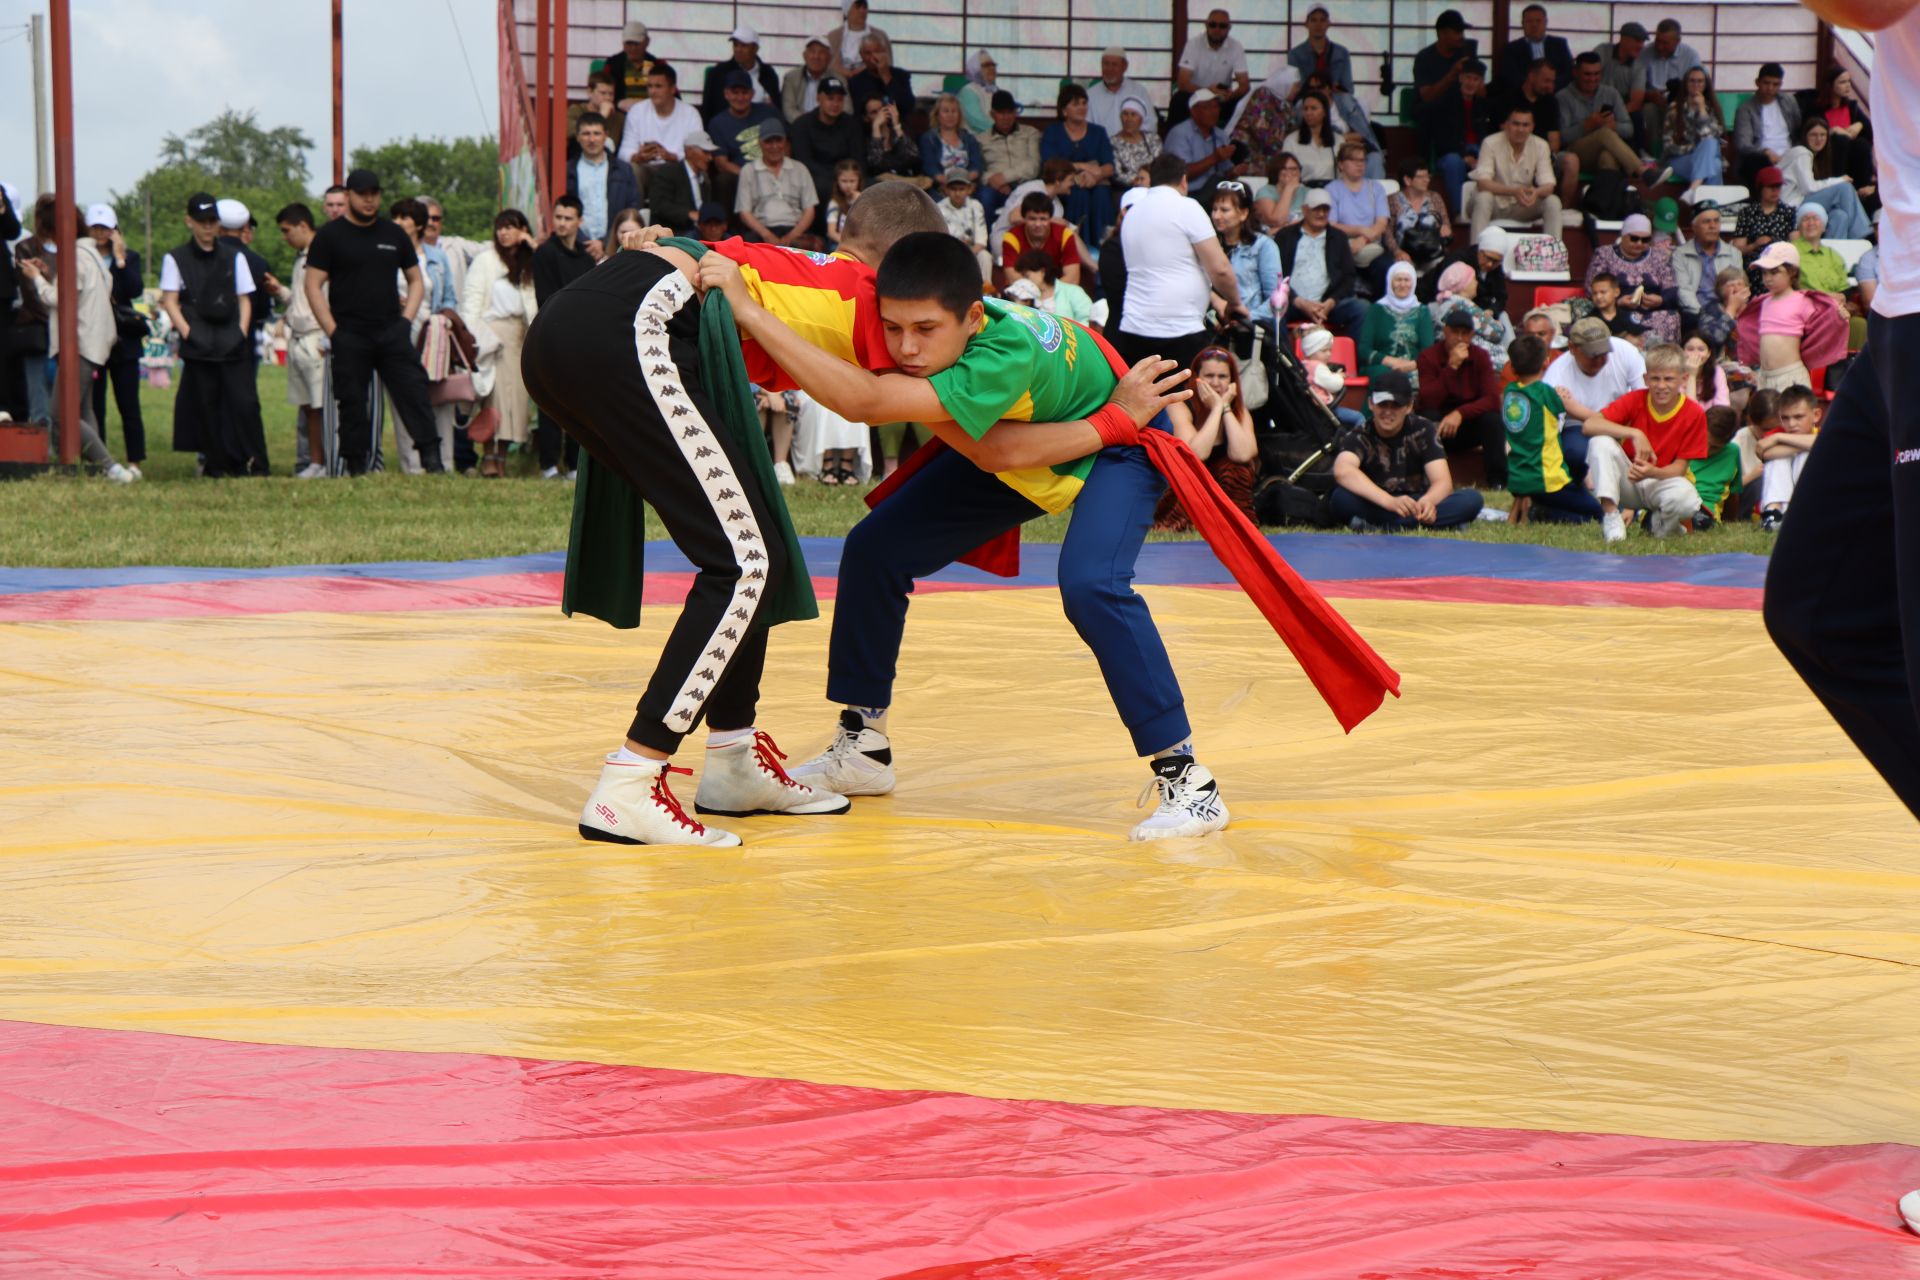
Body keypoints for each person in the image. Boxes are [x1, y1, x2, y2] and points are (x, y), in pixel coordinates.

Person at [707, 228, 1249, 839]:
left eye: (925, 331)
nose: (907, 348)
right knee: (875, 549)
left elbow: (973, 443)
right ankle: (864, 747)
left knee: (1092, 584)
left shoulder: (998, 355)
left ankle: (1189, 781)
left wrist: (745, 308)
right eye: (893, 329)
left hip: (1117, 444)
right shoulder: (931, 325)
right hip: (1048, 431)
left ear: (970, 317)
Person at [303, 170, 442, 476]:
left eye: (374, 193)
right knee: (351, 402)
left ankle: (433, 461)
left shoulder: (393, 234)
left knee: (415, 393)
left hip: (391, 331)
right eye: (362, 193)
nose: (369, 199)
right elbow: (312, 284)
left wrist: (405, 322)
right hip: (349, 333)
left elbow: (416, 280)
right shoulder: (330, 235)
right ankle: (355, 467)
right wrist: (333, 331)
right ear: (349, 195)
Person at [19, 200, 136, 482]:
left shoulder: (72, 256)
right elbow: (86, 288)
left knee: (61, 413)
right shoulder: (90, 252)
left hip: (80, 343)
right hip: (97, 341)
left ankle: (111, 468)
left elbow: (58, 299)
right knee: (84, 409)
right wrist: (49, 275)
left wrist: (37, 279)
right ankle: (95, 469)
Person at [161, 192, 268, 478]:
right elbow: (170, 299)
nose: (207, 227)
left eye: (212, 221)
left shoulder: (235, 256)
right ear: (189, 222)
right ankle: (216, 464)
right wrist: (188, 332)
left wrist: (241, 331)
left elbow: (245, 298)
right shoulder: (176, 258)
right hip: (199, 341)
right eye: (202, 221)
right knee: (205, 405)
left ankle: (254, 462)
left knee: (244, 403)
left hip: (231, 340)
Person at [1114, 154, 1247, 370]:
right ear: (1184, 180)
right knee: (1183, 401)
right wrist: (1236, 303)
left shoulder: (1132, 213)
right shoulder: (1186, 207)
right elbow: (1220, 269)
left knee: (1146, 400)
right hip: (1179, 329)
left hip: (1134, 327)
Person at [1582, 342, 1707, 542]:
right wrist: (1635, 433)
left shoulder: (1694, 413)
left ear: (1683, 379)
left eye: (1669, 379)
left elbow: (1680, 468)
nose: (1661, 385)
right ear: (1645, 379)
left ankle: (1664, 525)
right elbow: (1590, 425)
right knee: (1600, 441)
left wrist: (1652, 472)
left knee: (1687, 500)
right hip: (1629, 478)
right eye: (1655, 378)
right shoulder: (1635, 399)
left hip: (1662, 480)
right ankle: (1611, 515)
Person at [1331, 370, 1484, 529]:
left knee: (1472, 499)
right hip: (1377, 501)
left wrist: (1428, 503)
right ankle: (1425, 524)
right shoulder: (1360, 433)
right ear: (1371, 404)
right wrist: (1390, 502)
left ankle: (1382, 524)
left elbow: (1442, 482)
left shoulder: (1424, 429)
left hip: (1417, 501)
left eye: (1396, 405)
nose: (1388, 411)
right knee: (1340, 498)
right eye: (1382, 404)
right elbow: (1343, 470)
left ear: (1409, 406)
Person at [459, 209, 538, 478]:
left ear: (523, 230)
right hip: (491, 337)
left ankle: (502, 456)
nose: (504, 232)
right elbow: (471, 302)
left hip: (520, 337)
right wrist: (474, 338)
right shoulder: (485, 261)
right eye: (500, 228)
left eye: (510, 227)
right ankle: (489, 455)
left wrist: (533, 246)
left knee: (515, 400)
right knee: (493, 398)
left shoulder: (530, 262)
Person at [388, 197, 459, 475]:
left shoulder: (437, 256)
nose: (399, 224)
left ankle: (444, 462)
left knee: (440, 398)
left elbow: (450, 297)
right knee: (404, 397)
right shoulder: (386, 253)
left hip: (433, 334)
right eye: (395, 218)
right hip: (399, 333)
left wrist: (446, 321)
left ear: (418, 224)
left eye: (404, 218)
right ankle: (413, 465)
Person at [1154, 345, 1258, 531]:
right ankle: (1185, 523)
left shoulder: (1239, 411)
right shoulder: (1179, 405)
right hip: (1182, 483)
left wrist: (1225, 408)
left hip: (1219, 485)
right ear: (1196, 378)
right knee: (1191, 469)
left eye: (1223, 377)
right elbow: (1195, 454)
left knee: (1239, 469)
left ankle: (1232, 522)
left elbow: (1242, 454)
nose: (1216, 383)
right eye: (1209, 376)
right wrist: (1217, 408)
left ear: (1232, 381)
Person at [1501, 333, 1599, 523]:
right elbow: (1574, 410)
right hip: (1547, 481)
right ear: (1546, 362)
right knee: (1597, 514)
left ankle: (1537, 509)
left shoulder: (1510, 392)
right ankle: (1541, 514)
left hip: (1518, 478)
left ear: (1512, 367)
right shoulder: (1546, 393)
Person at [530, 196, 596, 479]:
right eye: (558, 217)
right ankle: (547, 464)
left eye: (568, 218)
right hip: (552, 336)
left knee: (579, 403)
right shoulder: (544, 253)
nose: (562, 223)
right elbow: (545, 299)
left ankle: (573, 464)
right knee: (550, 401)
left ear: (579, 222)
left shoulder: (585, 258)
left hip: (580, 338)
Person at [1735, 241, 1849, 392]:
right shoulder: (1763, 302)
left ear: (1792, 272)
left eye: (1774, 272)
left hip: (1790, 376)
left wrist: (1840, 315)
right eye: (1764, 272)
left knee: (1790, 415)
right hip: (1764, 376)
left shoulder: (1802, 301)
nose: (1767, 278)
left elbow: (1826, 321)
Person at [1543, 316, 1646, 482]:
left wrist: (1577, 409)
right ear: (1572, 348)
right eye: (1592, 354)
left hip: (1624, 422)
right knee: (1576, 452)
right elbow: (1549, 433)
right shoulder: (1556, 375)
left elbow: (1645, 398)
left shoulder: (1626, 351)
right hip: (1578, 429)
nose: (1599, 360)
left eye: (1604, 353)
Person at [84, 204, 146, 472]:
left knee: (129, 404)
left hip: (124, 341)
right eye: (95, 227)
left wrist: (120, 259)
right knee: (95, 405)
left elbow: (134, 289)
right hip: (94, 339)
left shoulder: (129, 258)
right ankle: (101, 460)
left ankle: (135, 460)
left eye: (105, 228)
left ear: (115, 230)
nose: (100, 233)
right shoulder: (83, 257)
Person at [1416, 305, 1507, 487]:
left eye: (1465, 333)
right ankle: (1426, 479)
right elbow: (1428, 399)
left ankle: (1498, 482)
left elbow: (1492, 399)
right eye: (1454, 332)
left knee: (1493, 419)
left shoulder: (1480, 356)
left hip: (1468, 423)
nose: (1459, 338)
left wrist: (1460, 413)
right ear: (1445, 332)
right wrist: (1451, 367)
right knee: (1427, 417)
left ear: (1472, 335)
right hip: (1439, 426)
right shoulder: (1428, 357)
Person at [271, 203, 327, 477]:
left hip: (317, 336)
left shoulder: (324, 255)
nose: (285, 237)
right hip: (299, 336)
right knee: (308, 407)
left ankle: (329, 460)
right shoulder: (300, 258)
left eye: (287, 230)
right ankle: (316, 461)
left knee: (322, 404)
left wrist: (328, 337)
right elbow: (301, 300)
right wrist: (280, 291)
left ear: (303, 226)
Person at [1557, 52, 1648, 198]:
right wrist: (1587, 125)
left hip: (1603, 152)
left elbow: (1629, 129)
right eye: (1587, 74)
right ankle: (1643, 171)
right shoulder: (1563, 97)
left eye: (1596, 74)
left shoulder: (1611, 93)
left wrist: (1614, 126)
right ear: (1575, 72)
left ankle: (1604, 206)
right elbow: (1563, 137)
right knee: (1604, 133)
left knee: (1608, 157)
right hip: (1576, 153)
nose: (1592, 79)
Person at [1277, 188, 1365, 338]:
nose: (1321, 214)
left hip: (1327, 305)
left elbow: (1349, 277)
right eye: (1316, 209)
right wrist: (1298, 301)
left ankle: (1358, 360)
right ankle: (1284, 360)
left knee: (1361, 308)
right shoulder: (1285, 236)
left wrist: (1331, 302)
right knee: (1272, 310)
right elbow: (1275, 274)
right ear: (1304, 210)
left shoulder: (1339, 238)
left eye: (1325, 209)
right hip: (1293, 302)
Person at [1468, 102, 1562, 242]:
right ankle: (1475, 256)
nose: (1520, 129)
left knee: (1553, 201)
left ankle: (1553, 256)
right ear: (1506, 125)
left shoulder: (1541, 145)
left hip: (1523, 205)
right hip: (1494, 204)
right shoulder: (1490, 142)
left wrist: (1535, 193)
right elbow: (1482, 183)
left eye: (1525, 125)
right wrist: (1514, 191)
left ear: (1532, 127)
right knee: (1483, 197)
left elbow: (1549, 185)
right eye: (1516, 124)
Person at [1209, 181, 1278, 368]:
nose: (1217, 215)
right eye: (1214, 209)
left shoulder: (1264, 246)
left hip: (1252, 333)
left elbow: (1276, 298)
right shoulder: (1209, 246)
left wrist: (1249, 315)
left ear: (1243, 213)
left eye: (1224, 210)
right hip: (1216, 332)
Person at [1585, 212, 1680, 344]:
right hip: (1617, 311)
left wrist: (1661, 300)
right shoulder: (1604, 254)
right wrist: (1617, 302)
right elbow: (1592, 289)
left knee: (1671, 317)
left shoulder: (1659, 256)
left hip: (1652, 313)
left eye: (1645, 240)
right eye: (1634, 238)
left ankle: (1661, 360)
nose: (1639, 243)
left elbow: (1672, 289)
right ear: (1624, 236)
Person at [1043, 85, 1116, 247]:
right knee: (1078, 195)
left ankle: (1104, 247)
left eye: (1084, 103)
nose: (1082, 107)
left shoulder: (1098, 132)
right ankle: (1075, 247)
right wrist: (1083, 166)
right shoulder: (1053, 132)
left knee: (1101, 195)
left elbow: (1109, 166)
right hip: (1066, 185)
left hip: (1096, 183)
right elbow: (1049, 163)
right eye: (1076, 104)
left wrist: (1095, 175)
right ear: (1064, 110)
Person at [1780, 118, 1874, 240]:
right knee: (1844, 188)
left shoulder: (1816, 158)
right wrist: (1839, 180)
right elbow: (1809, 188)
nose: (1819, 139)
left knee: (1840, 216)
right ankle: (1862, 235)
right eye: (1814, 135)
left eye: (1823, 135)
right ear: (1805, 136)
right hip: (1790, 207)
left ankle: (1834, 254)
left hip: (1801, 203)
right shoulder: (1801, 153)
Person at [736, 119, 819, 249]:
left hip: (794, 229)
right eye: (769, 141)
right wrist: (767, 234)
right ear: (759, 143)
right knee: (745, 246)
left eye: (778, 140)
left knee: (815, 245)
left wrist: (792, 236)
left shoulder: (800, 168)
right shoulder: (748, 170)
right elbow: (744, 212)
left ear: (785, 141)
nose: (774, 146)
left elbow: (809, 210)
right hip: (761, 230)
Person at [1426, 57, 1493, 212]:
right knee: (1454, 162)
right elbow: (1441, 138)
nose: (1470, 83)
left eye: (1475, 79)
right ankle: (1459, 213)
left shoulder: (1484, 106)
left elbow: (1489, 138)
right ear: (1460, 78)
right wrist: (1464, 155)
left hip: (1478, 151)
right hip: (1451, 153)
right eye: (1468, 78)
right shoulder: (1445, 103)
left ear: (1481, 82)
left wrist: (1481, 156)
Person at [570, 111, 641, 252]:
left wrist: (606, 242)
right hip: (577, 247)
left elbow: (632, 207)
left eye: (597, 133)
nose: (592, 139)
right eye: (586, 134)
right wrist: (584, 242)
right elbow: (565, 210)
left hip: (615, 247)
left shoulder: (624, 169)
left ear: (606, 135)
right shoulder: (568, 170)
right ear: (577, 137)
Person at [790, 76, 864, 206]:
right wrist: (837, 179)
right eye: (830, 99)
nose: (835, 104)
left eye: (840, 100)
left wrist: (848, 178)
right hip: (817, 178)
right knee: (822, 188)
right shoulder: (802, 125)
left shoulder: (852, 124)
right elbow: (804, 161)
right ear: (818, 99)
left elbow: (859, 158)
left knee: (876, 187)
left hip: (848, 175)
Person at [1758, 381, 1822, 531]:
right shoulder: (1777, 433)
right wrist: (1783, 438)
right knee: (1778, 458)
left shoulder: (1779, 436)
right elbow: (1765, 452)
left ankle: (1804, 513)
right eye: (1785, 418)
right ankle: (1772, 512)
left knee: (1808, 454)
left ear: (1816, 415)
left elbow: (1825, 442)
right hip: (1786, 504)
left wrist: (1780, 438)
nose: (1791, 424)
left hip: (1816, 500)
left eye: (1798, 417)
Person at [1359, 260, 1435, 385]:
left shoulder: (1422, 311)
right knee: (1387, 376)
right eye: (1398, 280)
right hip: (1381, 367)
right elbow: (1363, 350)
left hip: (1413, 367)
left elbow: (1428, 351)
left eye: (1407, 280)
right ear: (1390, 282)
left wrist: (1411, 365)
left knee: (1426, 378)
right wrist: (1390, 361)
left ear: (1413, 283)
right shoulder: (1376, 309)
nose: (1402, 284)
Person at [708, 70, 782, 196]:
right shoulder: (717, 123)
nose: (740, 98)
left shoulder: (769, 112)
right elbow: (721, 163)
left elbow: (785, 144)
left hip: (774, 168)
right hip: (741, 173)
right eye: (735, 93)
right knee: (723, 180)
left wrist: (776, 169)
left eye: (744, 92)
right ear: (726, 94)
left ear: (752, 94)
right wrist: (749, 175)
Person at [1674, 204, 1744, 337]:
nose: (1713, 226)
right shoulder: (1681, 254)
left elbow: (1737, 287)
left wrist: (1726, 310)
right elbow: (1684, 290)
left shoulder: (1733, 253)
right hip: (1695, 312)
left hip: (1725, 309)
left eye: (1716, 221)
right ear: (1694, 227)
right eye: (1706, 221)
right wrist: (1703, 314)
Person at [619, 65, 704, 170]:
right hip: (646, 169)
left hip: (678, 170)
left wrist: (673, 157)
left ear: (672, 89)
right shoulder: (637, 111)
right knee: (634, 170)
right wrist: (637, 157)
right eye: (649, 86)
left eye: (658, 86)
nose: (652, 92)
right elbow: (624, 151)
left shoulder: (690, 114)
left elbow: (698, 152)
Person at [978, 90, 1042, 226]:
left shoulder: (1030, 133)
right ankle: (988, 241)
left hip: (1025, 184)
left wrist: (1005, 178)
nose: (1006, 117)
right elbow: (979, 170)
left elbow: (1034, 165)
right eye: (1001, 113)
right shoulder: (981, 139)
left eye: (1010, 112)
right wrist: (994, 181)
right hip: (996, 188)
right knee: (985, 195)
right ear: (992, 115)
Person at [1381, 160, 1452, 282]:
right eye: (1420, 177)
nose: (1427, 180)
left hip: (1432, 253)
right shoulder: (1392, 200)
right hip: (1404, 253)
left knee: (1445, 269)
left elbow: (1445, 223)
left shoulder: (1435, 197)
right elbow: (1387, 231)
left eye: (1427, 176)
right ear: (1407, 180)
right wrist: (1397, 251)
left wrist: (1446, 230)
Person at [1734, 63, 1802, 188]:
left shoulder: (1789, 102)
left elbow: (1798, 130)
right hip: (1762, 157)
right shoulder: (1746, 109)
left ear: (1781, 85)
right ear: (1757, 82)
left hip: (1789, 153)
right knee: (1753, 162)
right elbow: (1743, 144)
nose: (1770, 88)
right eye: (1766, 83)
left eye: (1775, 84)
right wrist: (1765, 152)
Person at [1176, 9, 1251, 124]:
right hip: (1196, 94)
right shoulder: (1193, 44)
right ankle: (1173, 139)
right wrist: (1207, 91)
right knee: (1179, 99)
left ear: (1229, 28)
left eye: (1222, 26)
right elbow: (1183, 82)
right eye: (1213, 25)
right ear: (1206, 25)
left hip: (1222, 98)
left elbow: (1244, 85)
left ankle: (1234, 141)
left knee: (1245, 101)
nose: (1217, 29)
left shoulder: (1236, 47)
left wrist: (1231, 95)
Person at [1166, 89, 1245, 197]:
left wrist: (1234, 172)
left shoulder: (1221, 135)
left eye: (1216, 107)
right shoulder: (1180, 133)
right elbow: (1179, 174)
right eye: (1207, 107)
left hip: (1216, 194)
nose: (1214, 111)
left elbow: (1225, 172)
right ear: (1193, 111)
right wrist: (1214, 158)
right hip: (1187, 195)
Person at [1731, 166, 1799, 290]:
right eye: (1770, 187)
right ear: (1760, 188)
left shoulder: (1789, 212)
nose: (1775, 191)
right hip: (1754, 266)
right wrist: (1755, 245)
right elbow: (1737, 249)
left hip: (1781, 264)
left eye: (1778, 187)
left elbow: (1796, 244)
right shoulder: (1747, 213)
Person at [1637, 19, 1703, 142]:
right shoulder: (1645, 53)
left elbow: (1700, 84)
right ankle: (1655, 150)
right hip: (1653, 100)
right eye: (1657, 41)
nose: (1660, 46)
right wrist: (1649, 95)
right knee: (1648, 110)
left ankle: (1677, 147)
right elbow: (1635, 85)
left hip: (1682, 100)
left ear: (1677, 41)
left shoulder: (1690, 55)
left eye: (1665, 43)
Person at [1661, 68, 1727, 192]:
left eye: (1700, 81)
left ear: (1705, 85)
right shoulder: (1674, 108)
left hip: (1704, 160)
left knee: (1713, 156)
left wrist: (1702, 110)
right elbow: (1668, 146)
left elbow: (1715, 138)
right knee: (1714, 163)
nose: (1696, 85)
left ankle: (1694, 190)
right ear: (1686, 84)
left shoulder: (1711, 108)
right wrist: (1696, 150)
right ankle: (1711, 208)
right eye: (1692, 81)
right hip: (1679, 159)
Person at [1327, 143, 1389, 272]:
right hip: (1342, 246)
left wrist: (1363, 239)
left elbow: (1381, 223)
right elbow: (1331, 225)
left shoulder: (1376, 188)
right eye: (1353, 160)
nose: (1359, 164)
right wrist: (1360, 230)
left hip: (1372, 246)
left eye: (1362, 160)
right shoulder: (1331, 189)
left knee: (1387, 268)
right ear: (1341, 164)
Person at [1000, 192, 1084, 286]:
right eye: (1032, 219)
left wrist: (1047, 291)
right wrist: (1038, 291)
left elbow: (1072, 279)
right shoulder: (1011, 237)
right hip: (1022, 294)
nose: (1038, 224)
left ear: (1050, 219)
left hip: (1057, 293)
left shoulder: (1065, 234)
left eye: (1043, 219)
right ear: (1024, 218)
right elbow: (1012, 278)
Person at [645, 130, 719, 235]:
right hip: (673, 235)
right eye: (705, 152)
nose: (710, 158)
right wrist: (688, 214)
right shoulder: (669, 172)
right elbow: (658, 205)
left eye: (710, 153)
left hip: (699, 235)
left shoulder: (705, 180)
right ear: (689, 151)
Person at [702, 24, 780, 122]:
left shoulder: (768, 74)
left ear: (755, 49)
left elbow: (777, 109)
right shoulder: (717, 73)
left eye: (744, 46)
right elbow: (707, 111)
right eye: (735, 45)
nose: (738, 50)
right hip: (725, 129)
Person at [1590, 21, 1651, 143]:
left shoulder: (1639, 66)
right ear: (1623, 38)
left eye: (1642, 42)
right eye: (1637, 40)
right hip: (1592, 104)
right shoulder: (1603, 51)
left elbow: (1636, 102)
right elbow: (1587, 77)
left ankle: (1639, 151)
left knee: (1636, 117)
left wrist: (1614, 115)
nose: (1641, 45)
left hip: (1621, 110)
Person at [1499, 4, 1574, 94]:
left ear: (1545, 22)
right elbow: (1510, 75)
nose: (1534, 25)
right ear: (1523, 24)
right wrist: (1533, 86)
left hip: (1555, 93)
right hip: (1524, 95)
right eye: (1529, 21)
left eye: (1538, 21)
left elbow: (1569, 72)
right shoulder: (1512, 48)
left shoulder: (1559, 44)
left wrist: (1550, 85)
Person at [1007, 248, 1092, 324]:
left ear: (1042, 272)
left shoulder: (1073, 292)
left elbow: (1087, 319)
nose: (1024, 281)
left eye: (1027, 276)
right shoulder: (1027, 298)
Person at [1088, 46, 1156, 139]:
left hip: (1133, 148)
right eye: (1106, 64)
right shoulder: (1091, 94)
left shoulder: (1139, 91)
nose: (1109, 69)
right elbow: (1086, 127)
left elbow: (1150, 124)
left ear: (1125, 66)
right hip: (1100, 149)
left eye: (1114, 64)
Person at [1789, 203, 1851, 304]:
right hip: (1803, 306)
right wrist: (1826, 297)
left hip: (1834, 307)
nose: (1811, 223)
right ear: (1799, 227)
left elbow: (1844, 288)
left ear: (1824, 227)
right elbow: (1790, 288)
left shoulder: (1833, 255)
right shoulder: (1791, 251)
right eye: (1805, 219)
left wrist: (1842, 296)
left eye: (1816, 218)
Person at [921, 93, 985, 188]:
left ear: (959, 115)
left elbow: (977, 166)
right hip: (940, 187)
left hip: (967, 186)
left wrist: (962, 183)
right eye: (946, 111)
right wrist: (949, 184)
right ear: (937, 115)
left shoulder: (969, 139)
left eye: (954, 111)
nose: (950, 115)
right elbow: (930, 168)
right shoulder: (929, 139)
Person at [939, 169, 992, 281]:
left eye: (961, 189)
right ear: (946, 189)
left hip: (972, 251)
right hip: (949, 253)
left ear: (969, 189)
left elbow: (981, 241)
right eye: (953, 189)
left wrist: (967, 254)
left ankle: (987, 292)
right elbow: (940, 241)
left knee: (985, 256)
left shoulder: (976, 206)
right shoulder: (939, 209)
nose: (957, 193)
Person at [849, 33, 914, 121]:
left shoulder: (902, 75)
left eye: (877, 51)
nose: (873, 57)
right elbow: (858, 115)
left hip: (897, 126)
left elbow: (907, 107)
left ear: (885, 52)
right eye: (868, 53)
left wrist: (885, 74)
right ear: (861, 55)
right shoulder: (856, 82)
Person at [1289, 6, 1353, 95]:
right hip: (1306, 103)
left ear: (1328, 24)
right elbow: (1296, 88)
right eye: (1313, 20)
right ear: (1306, 24)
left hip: (1335, 102)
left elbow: (1348, 89)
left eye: (1322, 20)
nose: (1318, 25)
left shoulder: (1342, 53)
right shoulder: (1295, 55)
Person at [863, 95, 924, 186]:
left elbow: (913, 157)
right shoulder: (864, 140)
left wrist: (896, 124)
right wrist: (876, 128)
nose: (881, 114)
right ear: (866, 118)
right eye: (874, 112)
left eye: (882, 109)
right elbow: (876, 165)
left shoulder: (899, 132)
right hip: (880, 188)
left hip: (907, 184)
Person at [602, 20, 657, 115]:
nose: (633, 48)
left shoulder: (656, 65)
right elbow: (602, 92)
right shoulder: (613, 64)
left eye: (637, 44)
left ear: (647, 42)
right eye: (628, 44)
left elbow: (671, 96)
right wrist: (618, 103)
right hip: (620, 115)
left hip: (651, 115)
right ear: (623, 44)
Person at [826, 0, 890, 82]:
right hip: (839, 87)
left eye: (865, 7)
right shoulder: (833, 36)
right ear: (847, 10)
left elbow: (888, 64)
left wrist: (866, 68)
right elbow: (826, 65)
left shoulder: (880, 36)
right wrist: (841, 70)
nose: (862, 11)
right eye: (858, 7)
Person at [570, 72, 626, 162]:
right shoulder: (576, 111)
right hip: (580, 160)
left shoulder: (619, 118)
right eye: (603, 93)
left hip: (610, 165)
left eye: (611, 94)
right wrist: (601, 116)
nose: (608, 98)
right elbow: (569, 133)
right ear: (590, 92)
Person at [1286, 90, 1339, 184]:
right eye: (1305, 109)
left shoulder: (1338, 140)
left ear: (1325, 112)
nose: (1308, 113)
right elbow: (1286, 173)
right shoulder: (1291, 140)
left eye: (1313, 108)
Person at [1110, 98, 1162, 190]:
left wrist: (1148, 181)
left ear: (1141, 118)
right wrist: (1138, 180)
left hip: (1152, 186)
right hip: (1126, 189)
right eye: (1125, 114)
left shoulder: (1153, 139)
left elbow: (1159, 165)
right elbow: (1116, 173)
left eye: (1133, 115)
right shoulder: (1112, 142)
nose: (1128, 119)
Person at [783, 37, 834, 122]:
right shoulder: (791, 77)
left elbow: (847, 109)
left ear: (829, 58)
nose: (816, 56)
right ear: (804, 56)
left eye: (821, 52)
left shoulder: (838, 80)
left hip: (829, 129)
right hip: (799, 127)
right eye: (812, 51)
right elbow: (788, 109)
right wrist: (807, 124)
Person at [1254, 151, 1307, 233]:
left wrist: (1283, 228)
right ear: (1276, 171)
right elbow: (1277, 221)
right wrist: (1289, 188)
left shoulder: (1308, 192)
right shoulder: (1265, 191)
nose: (1289, 173)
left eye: (1293, 169)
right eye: (1284, 169)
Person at [1682, 333, 1731, 409]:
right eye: (1690, 349)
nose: (1695, 354)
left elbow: (1723, 405)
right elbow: (1690, 410)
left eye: (1701, 350)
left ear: (1708, 353)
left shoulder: (1717, 371)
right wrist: (1692, 375)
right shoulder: (1675, 373)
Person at [825, 161, 865, 247]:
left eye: (852, 181)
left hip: (860, 244)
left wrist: (860, 202)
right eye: (844, 181)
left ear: (859, 181)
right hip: (839, 244)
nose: (848, 185)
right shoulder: (834, 203)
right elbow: (831, 232)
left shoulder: (863, 199)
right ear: (837, 182)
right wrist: (849, 245)